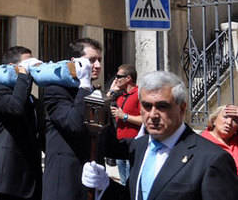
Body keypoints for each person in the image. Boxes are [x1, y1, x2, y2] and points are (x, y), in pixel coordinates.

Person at [82, 71, 238, 200]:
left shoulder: (212, 159)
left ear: (182, 109)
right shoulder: (140, 146)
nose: (153, 115)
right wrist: (105, 186)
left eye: (162, 106)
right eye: (147, 106)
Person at [41, 38, 101, 200]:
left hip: (89, 182)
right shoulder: (55, 90)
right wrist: (84, 85)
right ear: (76, 62)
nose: (98, 66)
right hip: (64, 184)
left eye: (99, 60)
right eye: (92, 60)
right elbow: (73, 124)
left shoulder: (92, 92)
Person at [0, 46, 44, 200]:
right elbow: (15, 108)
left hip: (31, 178)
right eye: (27, 64)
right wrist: (23, 75)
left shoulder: (32, 100)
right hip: (9, 179)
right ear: (13, 67)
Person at [106, 64, 142, 185]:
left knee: (131, 182)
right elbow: (101, 104)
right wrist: (112, 90)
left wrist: (124, 116)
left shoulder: (139, 95)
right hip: (119, 143)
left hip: (133, 143)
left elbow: (145, 119)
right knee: (122, 182)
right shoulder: (120, 96)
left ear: (128, 78)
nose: (116, 79)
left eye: (119, 76)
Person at [200, 104, 238, 174]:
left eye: (235, 120)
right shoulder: (202, 142)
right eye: (225, 117)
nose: (229, 122)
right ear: (214, 120)